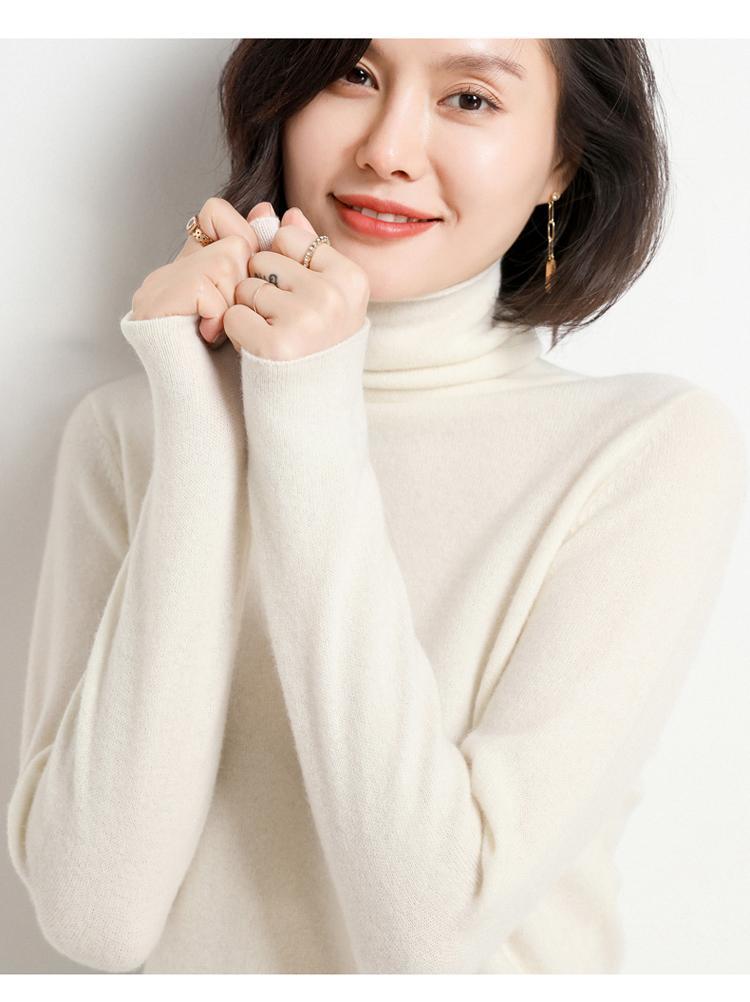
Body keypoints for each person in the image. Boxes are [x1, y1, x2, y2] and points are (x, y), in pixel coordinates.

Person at [6, 38, 747, 975]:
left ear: (562, 160)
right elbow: (95, 919)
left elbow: (424, 942)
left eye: (470, 99)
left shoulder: (645, 449)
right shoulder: (133, 429)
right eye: (353, 74)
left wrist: (304, 412)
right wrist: (198, 423)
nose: (388, 150)